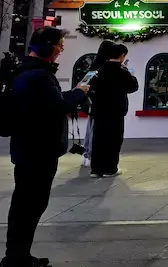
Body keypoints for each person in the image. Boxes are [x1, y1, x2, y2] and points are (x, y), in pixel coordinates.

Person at [3, 27, 88, 267]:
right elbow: (56, 107)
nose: (61, 49)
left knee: (26, 205)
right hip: (37, 150)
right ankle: (16, 258)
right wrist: (79, 93)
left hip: (28, 147)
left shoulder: (26, 72)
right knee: (29, 205)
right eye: (59, 44)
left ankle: (18, 255)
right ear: (47, 46)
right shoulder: (38, 75)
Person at [88, 44, 139, 178]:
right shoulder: (122, 72)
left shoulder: (99, 70)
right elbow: (132, 87)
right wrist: (132, 76)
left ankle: (96, 169)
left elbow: (90, 89)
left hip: (99, 110)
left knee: (98, 138)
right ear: (122, 56)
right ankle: (110, 168)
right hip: (116, 111)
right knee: (113, 140)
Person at [79, 40, 116, 168]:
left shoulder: (94, 67)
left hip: (92, 104)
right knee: (96, 131)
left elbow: (82, 84)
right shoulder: (105, 68)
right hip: (101, 104)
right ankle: (91, 155)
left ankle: (86, 155)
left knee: (90, 129)